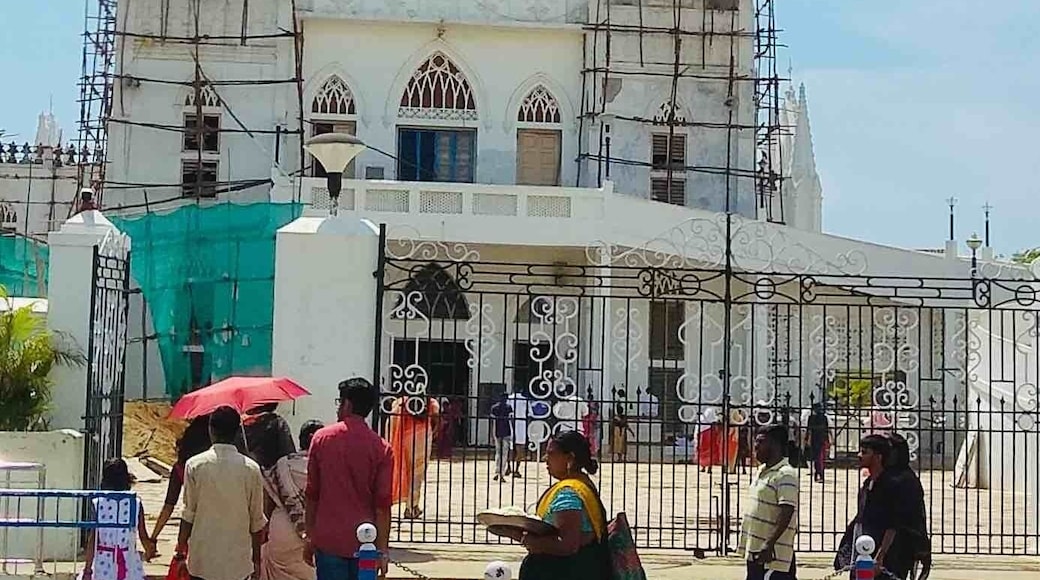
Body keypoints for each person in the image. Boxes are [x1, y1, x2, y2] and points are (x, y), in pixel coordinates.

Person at [305, 378, 393, 580]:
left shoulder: (321, 439)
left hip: (329, 541)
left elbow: (312, 493)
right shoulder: (382, 448)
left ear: (347, 404)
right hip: (366, 545)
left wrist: (310, 536)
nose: (338, 409)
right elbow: (382, 505)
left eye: (340, 402)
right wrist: (382, 550)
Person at [499, 431, 610, 580]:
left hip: (564, 571)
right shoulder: (582, 484)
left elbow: (567, 545)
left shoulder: (568, 493)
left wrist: (523, 538)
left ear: (569, 458)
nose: (546, 459)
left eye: (551, 454)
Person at [177, 406, 267, 580]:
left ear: (211, 430)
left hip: (202, 561)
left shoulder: (195, 465)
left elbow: (188, 514)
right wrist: (256, 561)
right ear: (236, 432)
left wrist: (180, 551)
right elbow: (257, 522)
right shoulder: (251, 469)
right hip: (238, 563)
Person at [260, 420, 324, 580]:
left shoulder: (282, 465)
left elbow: (267, 503)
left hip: (282, 532)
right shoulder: (326, 466)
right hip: (316, 531)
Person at [739, 425, 799, 580]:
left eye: (760, 442)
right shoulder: (762, 470)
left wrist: (769, 543)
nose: (755, 446)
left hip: (773, 555)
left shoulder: (786, 474)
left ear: (775, 444)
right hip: (755, 549)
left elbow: (787, 511)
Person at [84, 459, 154, 580]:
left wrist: (88, 569)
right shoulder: (135, 503)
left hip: (103, 562)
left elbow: (93, 539)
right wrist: (149, 550)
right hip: (129, 561)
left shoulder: (99, 503)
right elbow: (143, 535)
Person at [388, 394, 440, 519]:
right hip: (422, 437)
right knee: (417, 474)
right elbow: (436, 420)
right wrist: (434, 432)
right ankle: (412, 507)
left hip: (405, 438)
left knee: (405, 469)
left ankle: (409, 505)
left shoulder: (400, 402)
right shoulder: (431, 402)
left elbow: (392, 420)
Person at [244, 403, 297, 470]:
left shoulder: (242, 425)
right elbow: (288, 454)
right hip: (272, 474)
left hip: (247, 471)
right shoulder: (278, 423)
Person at [490, 394, 514, 481]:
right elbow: (511, 420)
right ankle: (501, 473)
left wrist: (492, 434)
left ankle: (497, 471)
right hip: (506, 431)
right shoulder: (509, 407)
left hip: (497, 431)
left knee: (498, 453)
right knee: (504, 454)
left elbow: (493, 422)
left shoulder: (494, 408)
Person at [507, 390, 530, 475]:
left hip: (510, 423)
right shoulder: (525, 400)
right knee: (520, 448)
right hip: (521, 424)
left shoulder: (509, 399)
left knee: (509, 448)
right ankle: (516, 469)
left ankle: (508, 467)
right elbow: (530, 413)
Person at [806, 404, 830, 483]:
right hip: (820, 439)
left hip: (816, 439)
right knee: (820, 458)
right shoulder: (823, 417)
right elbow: (826, 430)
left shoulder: (812, 417)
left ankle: (818, 474)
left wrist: (807, 439)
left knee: (817, 458)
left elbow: (809, 430)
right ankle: (819, 474)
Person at [610, 392, 633, 463]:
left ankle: (619, 458)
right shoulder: (622, 417)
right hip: (621, 431)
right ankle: (621, 458)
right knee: (621, 444)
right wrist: (631, 431)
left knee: (618, 444)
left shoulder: (616, 417)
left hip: (617, 431)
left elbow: (613, 424)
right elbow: (626, 424)